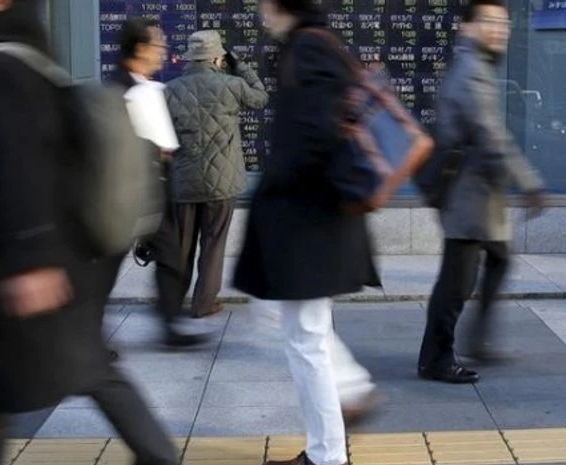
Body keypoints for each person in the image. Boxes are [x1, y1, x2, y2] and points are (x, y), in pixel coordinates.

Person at [0, 2, 178, 464]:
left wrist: (31, 258)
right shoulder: (23, 58)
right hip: (34, 258)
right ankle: (159, 456)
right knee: (80, 367)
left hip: (11, 264)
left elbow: (21, 165)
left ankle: (160, 456)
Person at [233, 0, 380, 463]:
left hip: (308, 223)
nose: (260, 13)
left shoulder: (309, 49)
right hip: (316, 221)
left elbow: (313, 137)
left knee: (306, 340)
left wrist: (271, 190)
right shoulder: (317, 44)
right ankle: (332, 437)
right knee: (303, 334)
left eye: (264, 4)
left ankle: (329, 452)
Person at [417, 0, 546, 384]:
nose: (498, 30)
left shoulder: (479, 67)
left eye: (503, 24)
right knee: (455, 285)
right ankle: (435, 359)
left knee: (500, 260)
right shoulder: (471, 71)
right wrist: (529, 182)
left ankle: (477, 337)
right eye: (489, 22)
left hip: (479, 197)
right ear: (467, 28)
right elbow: (490, 136)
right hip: (467, 199)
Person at [108, 17, 214, 346]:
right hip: (124, 191)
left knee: (170, 256)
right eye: (158, 46)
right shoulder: (117, 89)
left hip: (155, 186)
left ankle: (171, 325)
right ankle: (87, 335)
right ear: (139, 49)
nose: (164, 53)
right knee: (105, 267)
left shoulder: (151, 87)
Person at [164, 30, 269, 318]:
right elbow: (261, 98)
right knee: (213, 244)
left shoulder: (170, 89)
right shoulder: (233, 85)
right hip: (222, 183)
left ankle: (172, 304)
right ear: (216, 57)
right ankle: (204, 304)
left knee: (182, 246)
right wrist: (241, 66)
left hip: (184, 181)